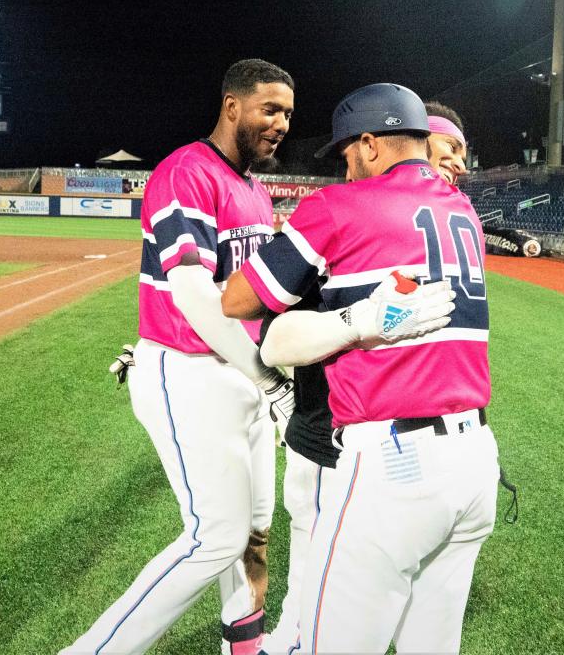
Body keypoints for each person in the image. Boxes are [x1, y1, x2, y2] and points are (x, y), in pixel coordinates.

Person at [222, 83, 499, 654]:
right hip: (475, 460)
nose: (345, 168)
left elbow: (238, 299)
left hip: (393, 465)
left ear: (370, 144)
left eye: (347, 154)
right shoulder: (462, 209)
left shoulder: (337, 206)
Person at [60, 59, 297, 655]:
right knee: (214, 538)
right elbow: (193, 294)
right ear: (231, 105)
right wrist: (267, 376)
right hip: (191, 373)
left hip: (240, 374)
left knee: (254, 531)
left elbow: (253, 299)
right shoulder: (187, 172)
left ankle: (245, 646)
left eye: (288, 114)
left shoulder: (253, 189)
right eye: (270, 109)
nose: (281, 124)